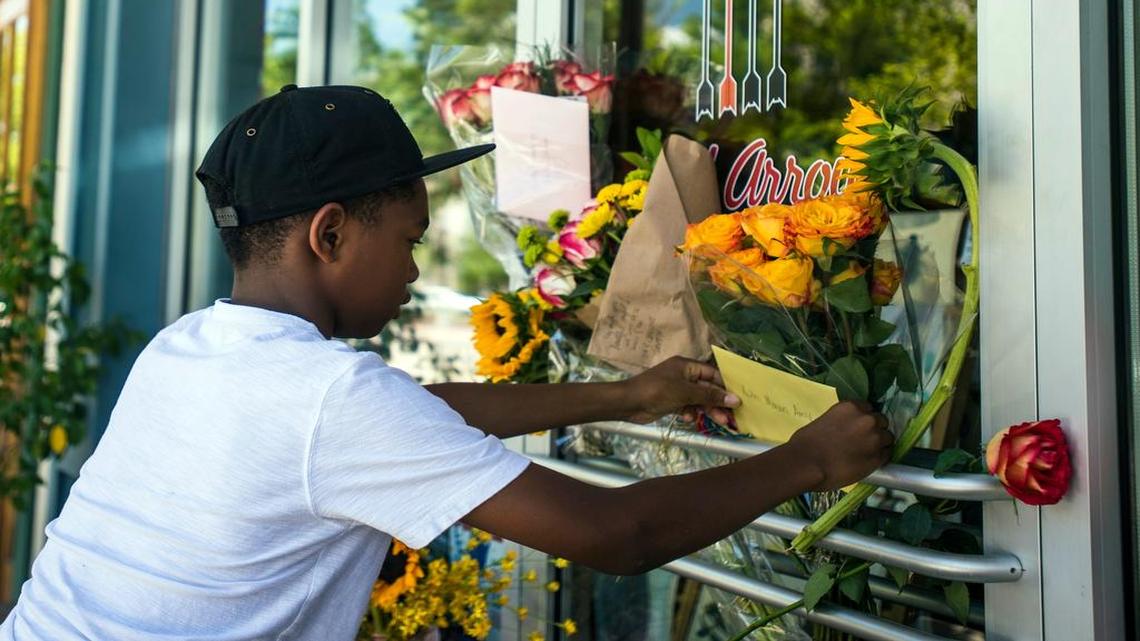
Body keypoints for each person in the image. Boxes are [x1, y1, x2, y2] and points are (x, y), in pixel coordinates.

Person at [0, 85, 892, 641]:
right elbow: (619, 534)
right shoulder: (328, 398)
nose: (416, 268)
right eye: (410, 239)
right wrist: (811, 458)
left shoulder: (189, 347)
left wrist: (626, 394)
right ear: (330, 234)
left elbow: (414, 411)